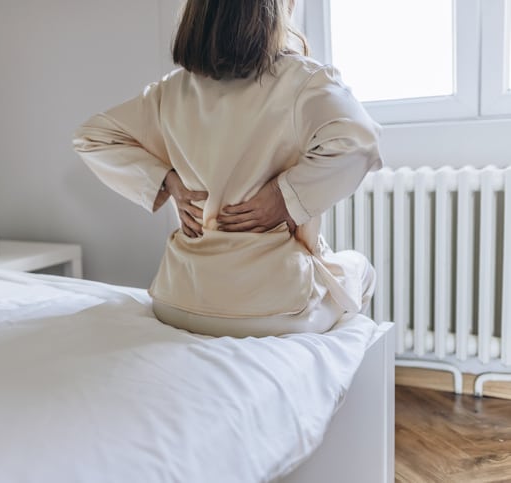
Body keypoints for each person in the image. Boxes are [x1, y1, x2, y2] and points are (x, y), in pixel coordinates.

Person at [73, 0, 382, 338]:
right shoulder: (305, 81)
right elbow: (361, 141)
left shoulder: (171, 90)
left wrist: (167, 182)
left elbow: (91, 137)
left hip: (176, 302)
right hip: (272, 310)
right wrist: (285, 196)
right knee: (360, 270)